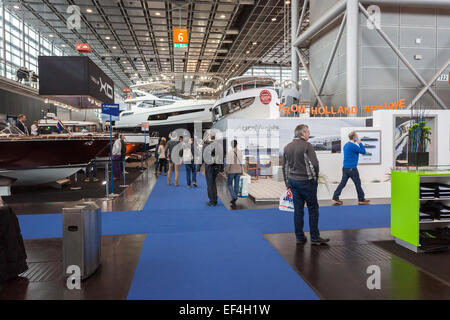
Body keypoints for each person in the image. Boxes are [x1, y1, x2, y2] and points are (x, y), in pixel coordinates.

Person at [283, 124, 329, 246]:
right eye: (308, 132)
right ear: (302, 133)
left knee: (298, 210)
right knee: (313, 209)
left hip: (293, 182)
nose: (309, 134)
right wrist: (315, 179)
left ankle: (299, 237)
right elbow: (314, 164)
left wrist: (287, 183)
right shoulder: (307, 146)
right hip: (306, 182)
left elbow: (285, 167)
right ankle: (314, 237)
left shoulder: (287, 147)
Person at [332, 131, 370, 205]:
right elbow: (363, 151)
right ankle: (361, 199)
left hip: (345, 168)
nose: (358, 137)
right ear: (354, 137)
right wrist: (360, 143)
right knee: (358, 183)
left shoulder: (346, 145)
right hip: (352, 168)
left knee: (342, 183)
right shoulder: (353, 146)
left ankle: (335, 197)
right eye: (357, 136)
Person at [204, 134, 223, 207]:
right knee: (214, 183)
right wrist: (221, 168)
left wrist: (198, 168)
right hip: (216, 167)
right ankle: (215, 199)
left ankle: (212, 201)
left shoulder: (206, 146)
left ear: (209, 138)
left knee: (210, 184)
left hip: (209, 167)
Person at [225, 139, 243, 205]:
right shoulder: (240, 152)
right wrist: (242, 170)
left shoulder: (229, 153)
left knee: (229, 184)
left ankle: (234, 197)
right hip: (238, 170)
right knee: (236, 184)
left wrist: (226, 171)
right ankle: (234, 199)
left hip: (232, 171)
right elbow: (241, 163)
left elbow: (228, 164)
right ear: (237, 144)